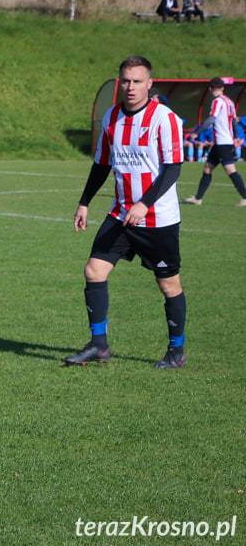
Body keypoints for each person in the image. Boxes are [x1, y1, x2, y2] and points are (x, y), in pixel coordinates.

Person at [66, 55, 187, 369]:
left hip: (157, 218)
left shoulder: (165, 118)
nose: (131, 87)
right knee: (94, 270)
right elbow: (102, 164)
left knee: (169, 284)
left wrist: (144, 203)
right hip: (120, 214)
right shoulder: (111, 117)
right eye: (126, 81)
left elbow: (173, 168)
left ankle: (176, 350)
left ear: (149, 83)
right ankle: (99, 345)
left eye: (137, 81)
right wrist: (84, 202)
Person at [183, 78, 246, 207]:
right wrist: (235, 137)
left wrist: (197, 132)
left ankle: (245, 197)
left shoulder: (217, 101)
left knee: (230, 170)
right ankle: (198, 198)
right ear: (223, 88)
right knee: (207, 168)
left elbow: (212, 118)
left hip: (222, 143)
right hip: (223, 143)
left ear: (210, 89)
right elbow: (234, 121)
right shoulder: (230, 102)